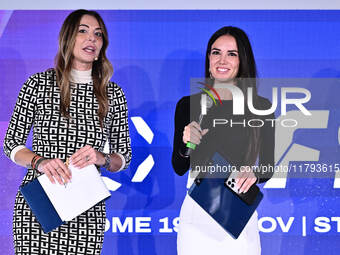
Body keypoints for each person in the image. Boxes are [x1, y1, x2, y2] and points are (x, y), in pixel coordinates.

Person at [3, 9, 131, 255]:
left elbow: (123, 157)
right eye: (83, 31)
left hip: (86, 210)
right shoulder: (37, 84)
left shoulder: (112, 94)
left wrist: (101, 158)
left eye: (98, 34)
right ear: (68, 38)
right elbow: (12, 144)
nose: (91, 39)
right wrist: (39, 162)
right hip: (39, 209)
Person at [172, 26, 275, 255]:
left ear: (242, 60)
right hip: (197, 213)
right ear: (208, 59)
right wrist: (186, 144)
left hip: (237, 211)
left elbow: (269, 166)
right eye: (216, 52)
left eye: (232, 54)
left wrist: (254, 174)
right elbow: (179, 167)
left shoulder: (261, 107)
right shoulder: (188, 105)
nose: (222, 60)